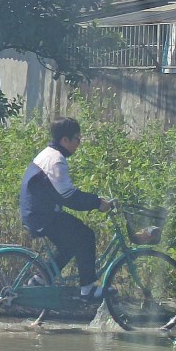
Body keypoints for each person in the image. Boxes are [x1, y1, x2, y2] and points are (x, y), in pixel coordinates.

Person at [19, 117, 113, 303]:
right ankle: (87, 290)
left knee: (71, 242)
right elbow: (69, 196)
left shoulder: (49, 154)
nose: (79, 143)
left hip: (40, 212)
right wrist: (97, 202)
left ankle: (40, 280)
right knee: (85, 235)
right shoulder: (56, 160)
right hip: (41, 216)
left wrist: (95, 201)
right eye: (77, 139)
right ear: (65, 140)